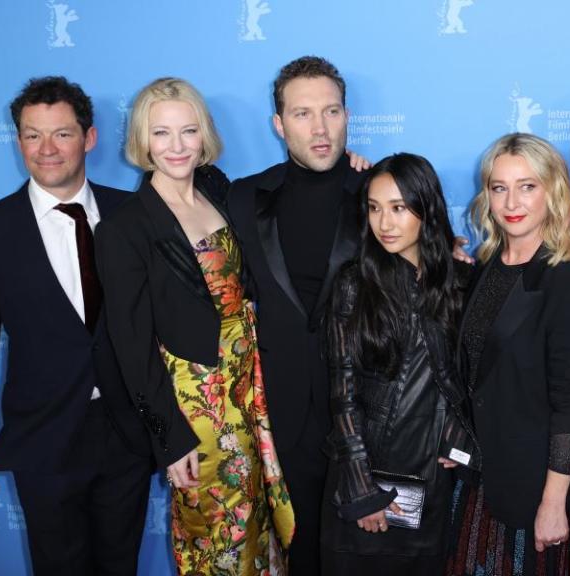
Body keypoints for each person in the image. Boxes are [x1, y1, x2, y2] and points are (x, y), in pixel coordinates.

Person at [0, 76, 152, 576]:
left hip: (127, 433)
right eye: (32, 134)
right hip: (44, 436)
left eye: (61, 133)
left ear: (89, 138)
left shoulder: (135, 214)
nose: (46, 149)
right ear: (18, 140)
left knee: (119, 567)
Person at [94, 77, 294, 574]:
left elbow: (291, 197)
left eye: (188, 131)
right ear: (143, 141)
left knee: (266, 526)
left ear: (204, 134)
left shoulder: (217, 189)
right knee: (219, 537)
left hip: (252, 388)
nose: (177, 146)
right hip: (197, 404)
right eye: (161, 134)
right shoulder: (124, 227)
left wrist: (356, 171)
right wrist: (171, 438)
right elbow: (131, 344)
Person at [227, 55, 367, 575]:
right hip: (281, 408)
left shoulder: (377, 192)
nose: (321, 127)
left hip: (365, 410)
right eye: (304, 114)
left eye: (332, 111)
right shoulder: (243, 197)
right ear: (279, 124)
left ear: (347, 116)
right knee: (300, 550)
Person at [445, 133, 570, 576]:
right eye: (499, 187)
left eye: (527, 186)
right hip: (475, 482)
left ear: (552, 191)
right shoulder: (487, 268)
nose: (511, 200)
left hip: (531, 491)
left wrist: (554, 504)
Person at [321, 153, 479, 575]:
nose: (384, 223)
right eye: (374, 208)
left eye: (398, 208)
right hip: (368, 472)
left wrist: (462, 441)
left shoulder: (462, 282)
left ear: (426, 210)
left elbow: (474, 378)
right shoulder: (355, 283)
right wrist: (361, 489)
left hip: (432, 479)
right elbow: (343, 391)